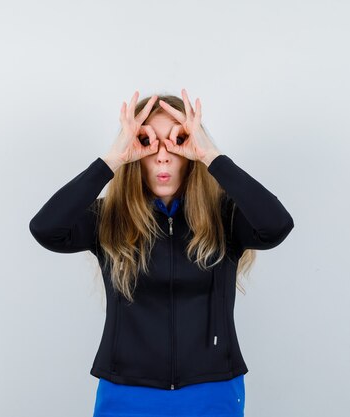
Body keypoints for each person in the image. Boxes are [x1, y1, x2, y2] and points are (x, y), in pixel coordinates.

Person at [29, 89, 295, 417]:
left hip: (211, 391)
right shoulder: (109, 218)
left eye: (177, 141)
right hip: (126, 392)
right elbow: (45, 229)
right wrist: (111, 160)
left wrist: (211, 156)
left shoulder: (223, 217)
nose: (163, 156)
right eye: (148, 142)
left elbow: (277, 226)